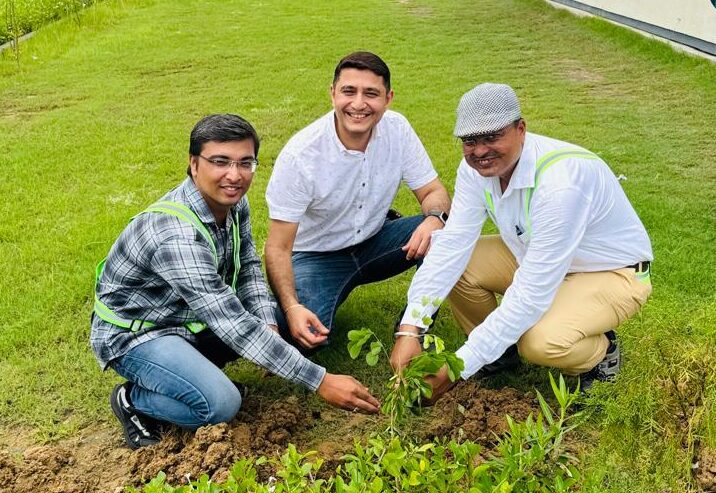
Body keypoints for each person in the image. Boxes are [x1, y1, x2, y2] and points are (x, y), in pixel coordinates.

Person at [91, 114, 380, 450]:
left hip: (187, 316)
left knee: (280, 327)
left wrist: (270, 326)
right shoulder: (175, 235)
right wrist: (320, 381)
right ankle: (134, 398)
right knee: (220, 404)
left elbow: (248, 268)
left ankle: (193, 373)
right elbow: (232, 323)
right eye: (220, 162)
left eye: (246, 163)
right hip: (138, 333)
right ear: (194, 164)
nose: (235, 175)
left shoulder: (232, 202)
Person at [390, 83, 653, 401]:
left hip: (611, 272)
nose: (480, 151)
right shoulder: (476, 170)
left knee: (541, 341)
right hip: (532, 253)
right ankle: (498, 352)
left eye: (492, 137)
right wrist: (411, 327)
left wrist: (456, 368)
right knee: (457, 263)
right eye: (470, 141)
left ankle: (601, 354)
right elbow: (453, 243)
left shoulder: (560, 184)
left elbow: (530, 295)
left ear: (521, 129)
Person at [265, 51, 451, 352]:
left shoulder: (397, 129)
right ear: (332, 93)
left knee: (445, 233)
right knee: (304, 339)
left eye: (371, 94)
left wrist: (434, 218)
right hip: (317, 255)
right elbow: (277, 247)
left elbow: (434, 192)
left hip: (375, 240)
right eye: (349, 91)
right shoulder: (301, 154)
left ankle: (412, 330)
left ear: (388, 98)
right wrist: (290, 307)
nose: (359, 104)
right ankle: (278, 306)